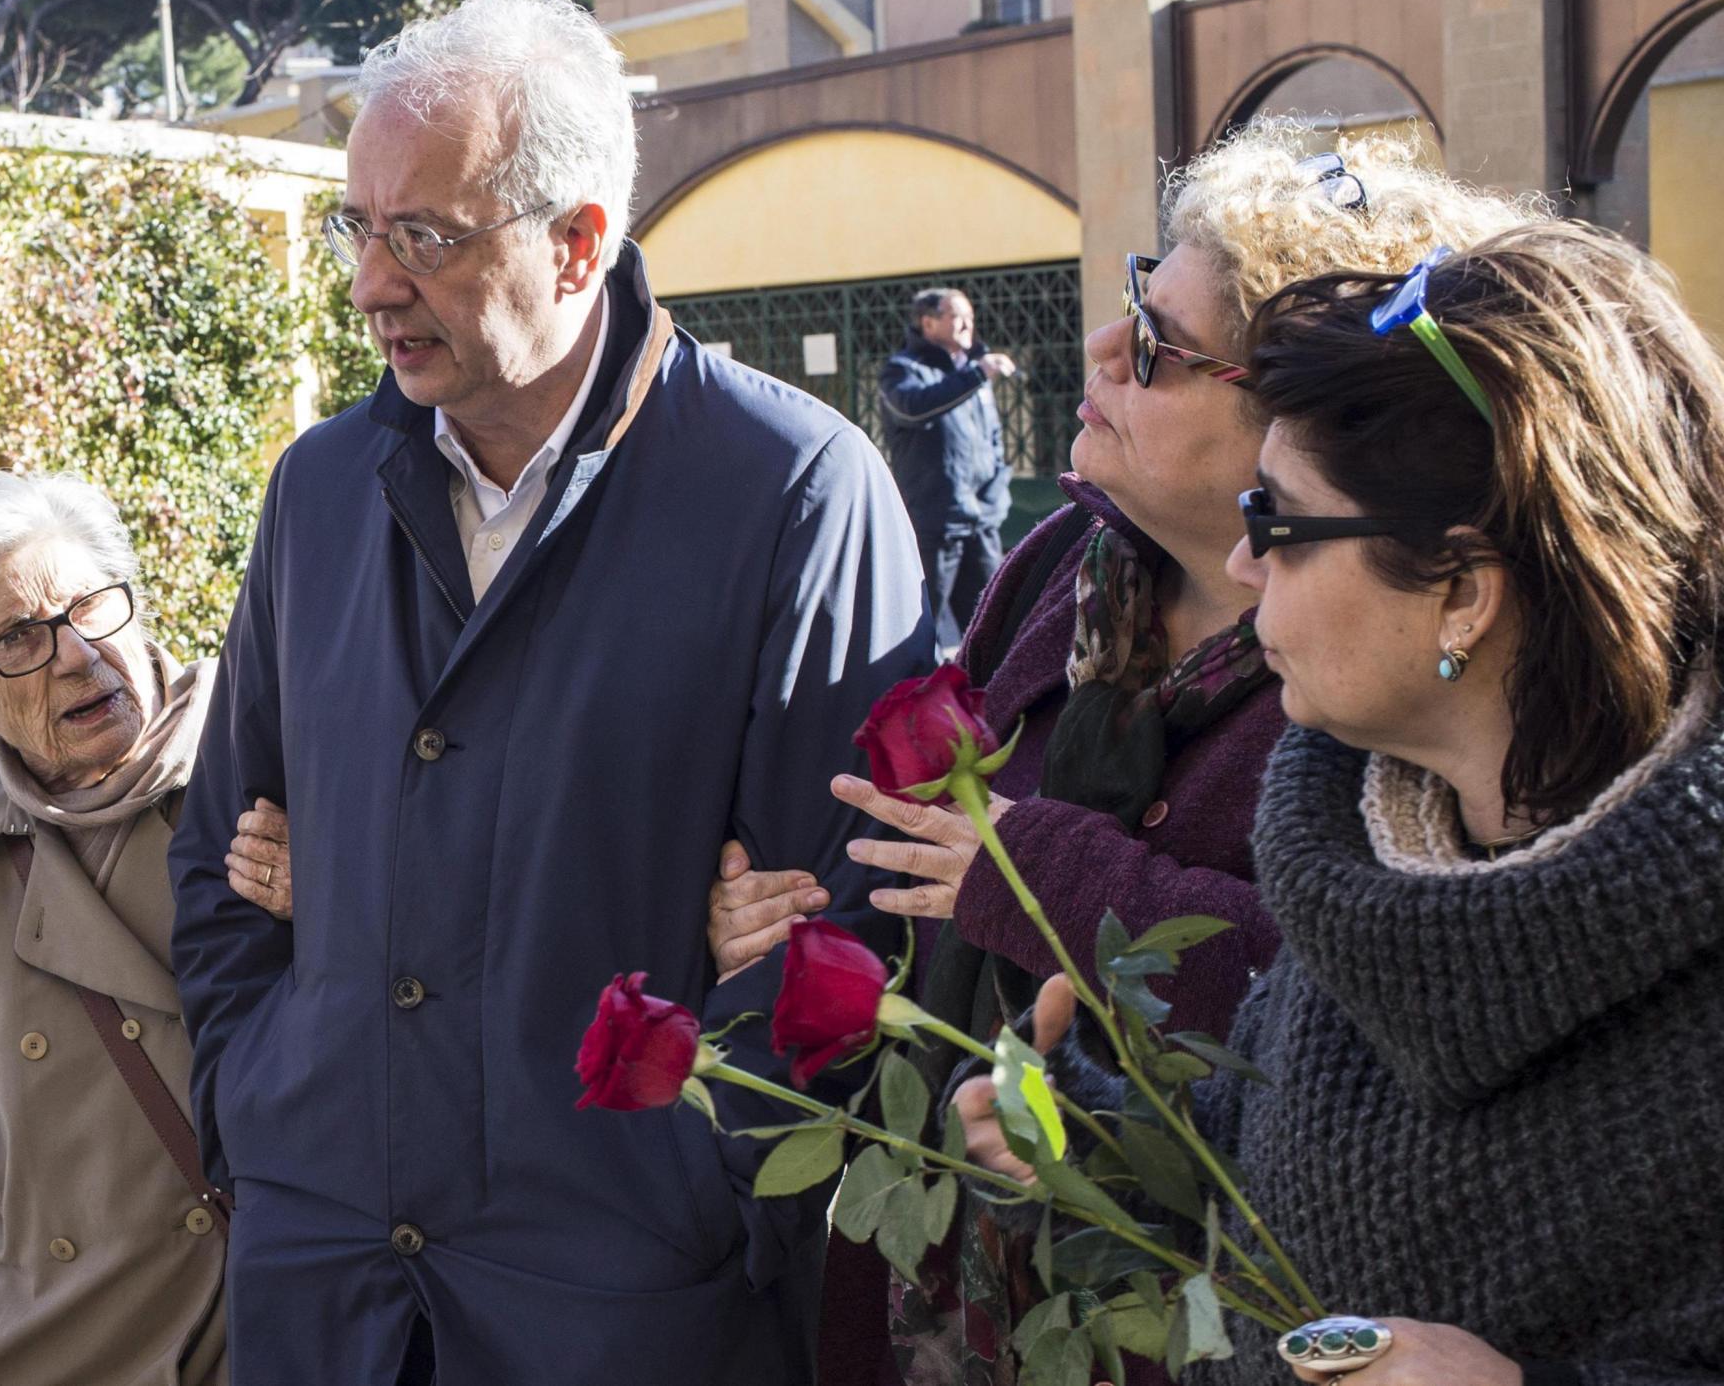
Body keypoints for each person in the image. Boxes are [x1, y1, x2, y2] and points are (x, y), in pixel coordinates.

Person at [166, 0, 930, 1386]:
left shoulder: (794, 491)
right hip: (327, 1300)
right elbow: (219, 855)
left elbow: (852, 927)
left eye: (426, 237)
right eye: (360, 226)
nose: (369, 285)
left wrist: (689, 1192)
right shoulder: (319, 490)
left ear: (581, 244)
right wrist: (264, 1115)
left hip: (626, 1313)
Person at [705, 124, 1537, 1386]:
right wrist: (797, 917)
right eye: (1130, 302)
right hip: (954, 1263)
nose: (1101, 350)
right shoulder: (1062, 568)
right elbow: (932, 857)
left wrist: (1059, 884)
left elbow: (1391, 1002)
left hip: (1210, 1304)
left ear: (1291, 413)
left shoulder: (1389, 661)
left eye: (1154, 349)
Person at [965, 221, 1724, 1385]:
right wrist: (1090, 1148)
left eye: (1277, 522)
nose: (1241, 566)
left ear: (1461, 594)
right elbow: (1268, 1195)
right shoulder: (1356, 854)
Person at [0, 471, 284, 1384]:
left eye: (92, 607)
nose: (75, 653)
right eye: (19, 640)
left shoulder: (275, 766)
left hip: (265, 1338)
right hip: (49, 1350)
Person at [879, 288, 1015, 654]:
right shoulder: (902, 371)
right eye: (957, 317)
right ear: (928, 322)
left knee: (993, 628)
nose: (969, 325)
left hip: (980, 522)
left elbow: (992, 439)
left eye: (970, 316)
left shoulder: (971, 372)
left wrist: (996, 495)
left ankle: (989, 707)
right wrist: (975, 376)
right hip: (934, 524)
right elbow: (912, 409)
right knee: (917, 631)